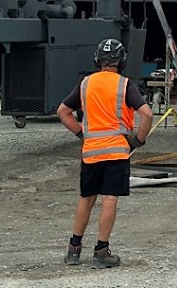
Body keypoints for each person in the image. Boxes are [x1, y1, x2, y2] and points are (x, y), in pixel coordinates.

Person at [56, 38, 153, 268]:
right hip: (117, 152)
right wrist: (138, 141)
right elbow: (147, 115)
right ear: (122, 61)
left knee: (86, 198)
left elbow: (63, 111)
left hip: (91, 152)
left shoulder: (86, 83)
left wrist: (81, 133)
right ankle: (101, 252)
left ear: (98, 59)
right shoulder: (124, 85)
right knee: (109, 198)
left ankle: (73, 250)